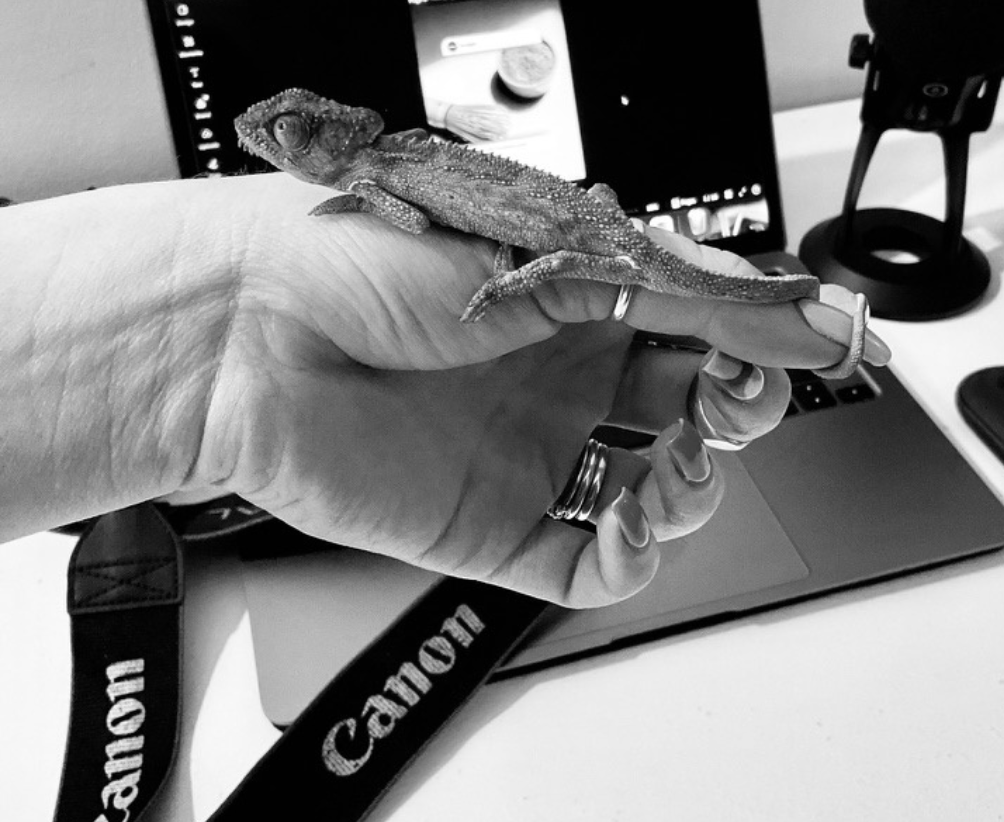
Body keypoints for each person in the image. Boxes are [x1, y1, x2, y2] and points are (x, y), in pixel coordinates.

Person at [0, 170, 888, 607]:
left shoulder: (371, 174)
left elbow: (409, 212)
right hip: (564, 260)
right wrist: (240, 307)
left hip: (581, 249)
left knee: (705, 295)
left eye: (295, 137)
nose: (269, 149)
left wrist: (524, 284)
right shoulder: (362, 183)